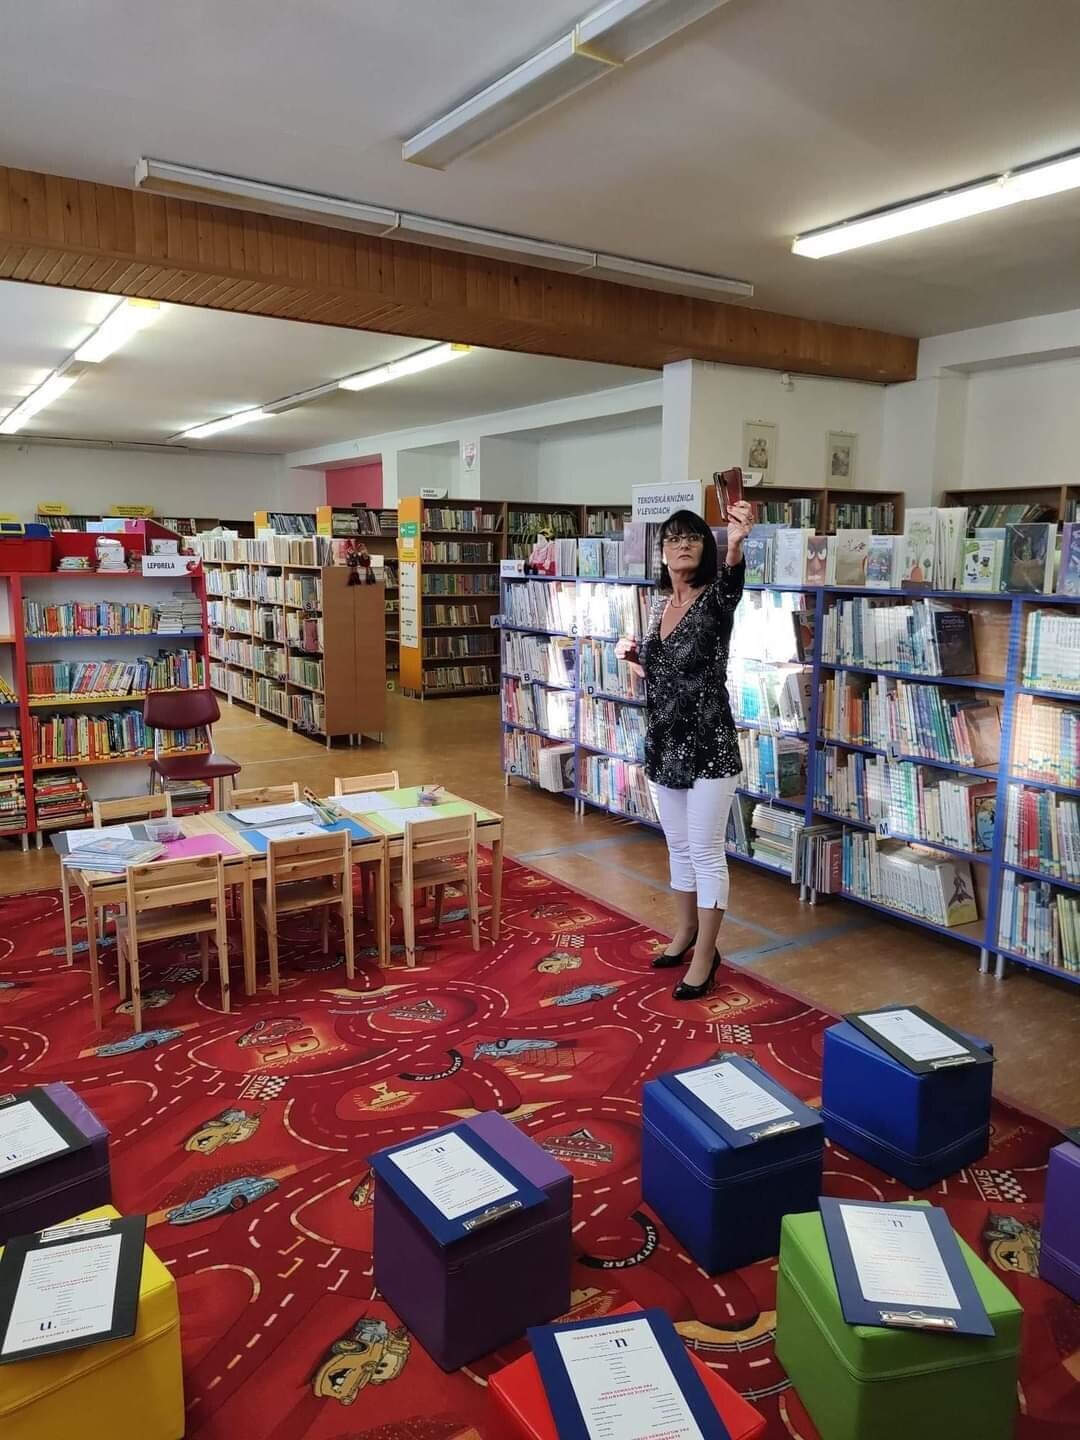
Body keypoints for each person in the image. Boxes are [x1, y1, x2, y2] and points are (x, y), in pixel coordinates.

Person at [616, 503, 752, 1000]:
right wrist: (636, 660)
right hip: (664, 743)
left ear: (706, 548)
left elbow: (733, 580)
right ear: (662, 552)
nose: (683, 545)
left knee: (706, 851)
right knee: (678, 847)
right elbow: (663, 670)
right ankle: (686, 931)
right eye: (673, 538)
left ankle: (705, 956)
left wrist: (736, 544)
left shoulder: (716, 597)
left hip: (709, 744)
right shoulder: (657, 606)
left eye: (693, 537)